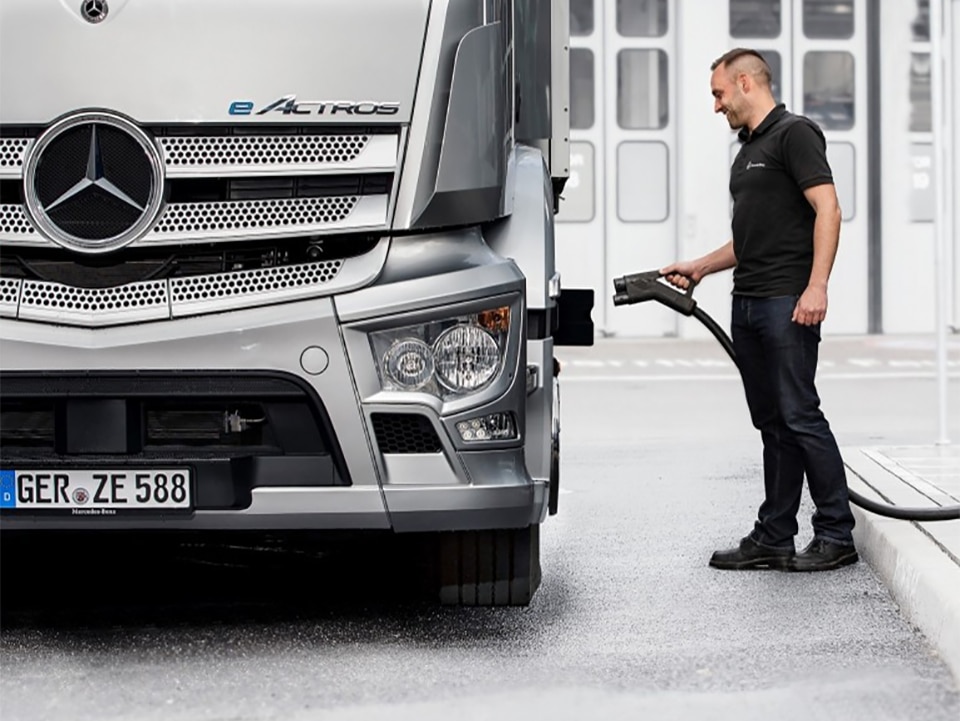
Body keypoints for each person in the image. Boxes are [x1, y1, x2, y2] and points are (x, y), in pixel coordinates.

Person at [660, 48, 858, 573]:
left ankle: (837, 534)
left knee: (799, 415)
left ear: (746, 83)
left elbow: (829, 209)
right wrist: (700, 266)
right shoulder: (747, 150)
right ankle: (774, 535)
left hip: (785, 303)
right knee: (772, 422)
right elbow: (749, 238)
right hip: (747, 302)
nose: (716, 105)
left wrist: (817, 287)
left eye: (718, 93)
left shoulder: (795, 134)